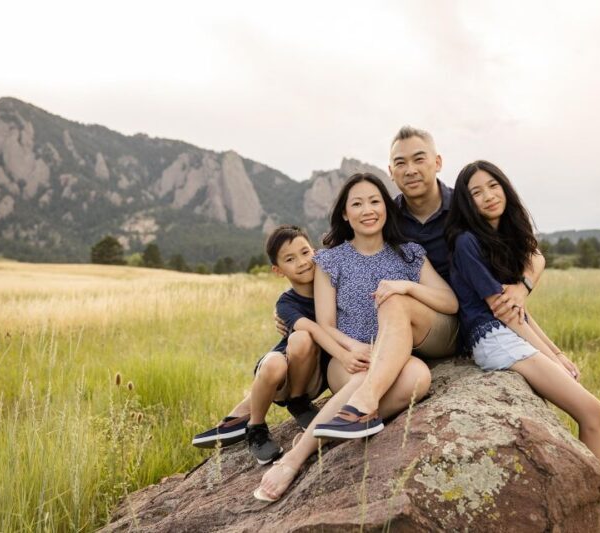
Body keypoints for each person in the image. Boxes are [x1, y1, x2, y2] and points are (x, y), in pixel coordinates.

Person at [303, 127, 546, 438]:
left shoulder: (464, 206)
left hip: (460, 319)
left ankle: (340, 420)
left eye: (419, 159)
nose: (411, 169)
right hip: (407, 328)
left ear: (438, 162)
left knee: (397, 304)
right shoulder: (389, 215)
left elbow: (531, 251)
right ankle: (345, 421)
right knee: (395, 319)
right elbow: (345, 262)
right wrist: (293, 314)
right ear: (391, 172)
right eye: (400, 163)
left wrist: (522, 286)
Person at [444, 160, 600, 533]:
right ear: (466, 203)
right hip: (492, 339)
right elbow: (506, 315)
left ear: (505, 187)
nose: (487, 196)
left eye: (493, 186)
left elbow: (520, 312)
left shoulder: (504, 239)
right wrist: (552, 357)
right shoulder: (468, 242)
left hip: (508, 333)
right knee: (595, 415)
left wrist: (558, 352)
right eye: (475, 192)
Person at [254, 173, 458, 500]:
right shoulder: (330, 260)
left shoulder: (409, 254)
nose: (368, 209)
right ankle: (297, 456)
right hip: (349, 359)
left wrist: (406, 286)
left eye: (375, 201)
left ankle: (343, 421)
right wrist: (353, 348)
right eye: (357, 203)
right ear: (345, 214)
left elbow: (449, 302)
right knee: (362, 375)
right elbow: (327, 324)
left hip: (398, 357)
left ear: (387, 209)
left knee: (419, 377)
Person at [192, 225, 351, 465]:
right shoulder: (286, 303)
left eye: (305, 252)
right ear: (278, 271)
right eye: (290, 259)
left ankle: (294, 404)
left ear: (316, 252)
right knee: (298, 340)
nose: (301, 262)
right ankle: (255, 426)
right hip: (283, 375)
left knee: (302, 339)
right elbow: (311, 330)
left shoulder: (334, 287)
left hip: (314, 377)